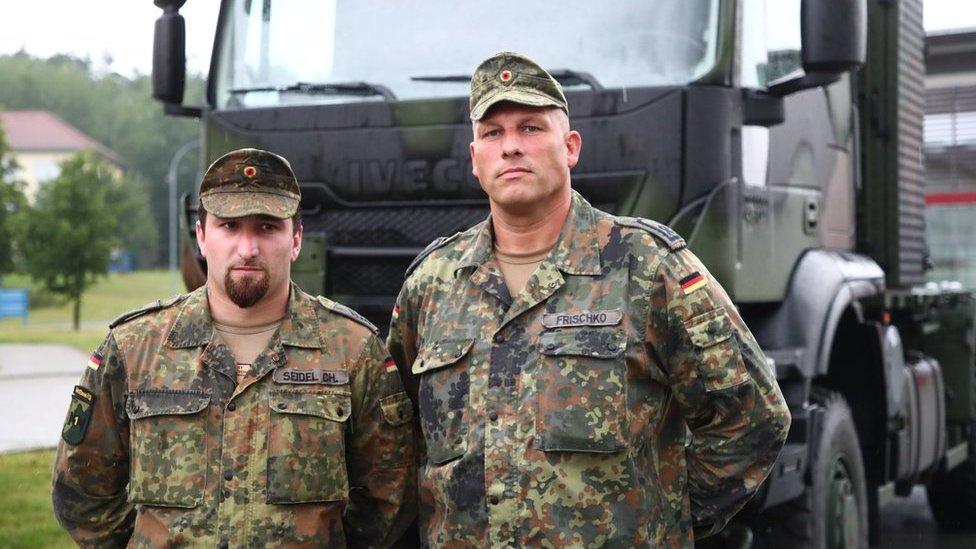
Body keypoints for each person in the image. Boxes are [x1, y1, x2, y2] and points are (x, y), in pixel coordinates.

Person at [387, 52, 791, 547]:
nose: (511, 147)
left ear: (571, 147)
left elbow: (752, 417)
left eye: (531, 128)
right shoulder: (432, 283)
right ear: (475, 159)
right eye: (493, 133)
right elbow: (399, 438)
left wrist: (666, 521)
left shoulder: (648, 265)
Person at [53, 148, 417, 547]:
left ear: (295, 240)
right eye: (229, 226)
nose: (247, 248)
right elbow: (82, 489)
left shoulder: (352, 349)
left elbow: (390, 494)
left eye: (266, 227)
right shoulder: (135, 346)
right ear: (202, 237)